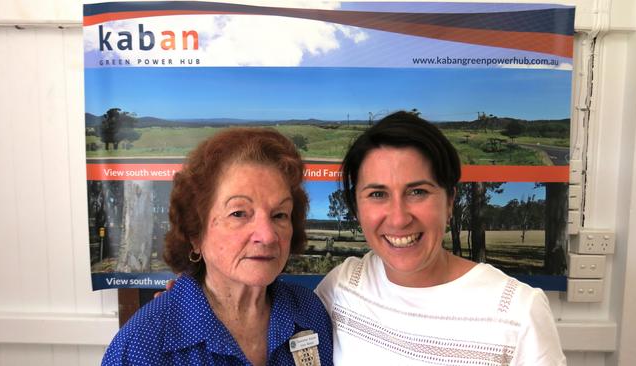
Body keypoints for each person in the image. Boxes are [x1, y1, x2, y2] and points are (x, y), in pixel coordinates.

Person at [314, 111, 566, 365]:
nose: (399, 219)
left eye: (417, 191)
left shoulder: (518, 313)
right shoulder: (342, 287)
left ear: (449, 202)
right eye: (378, 194)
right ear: (356, 208)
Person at [102, 128, 333, 365]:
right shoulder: (143, 345)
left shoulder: (309, 312)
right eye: (239, 213)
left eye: (279, 215)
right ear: (195, 234)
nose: (268, 236)